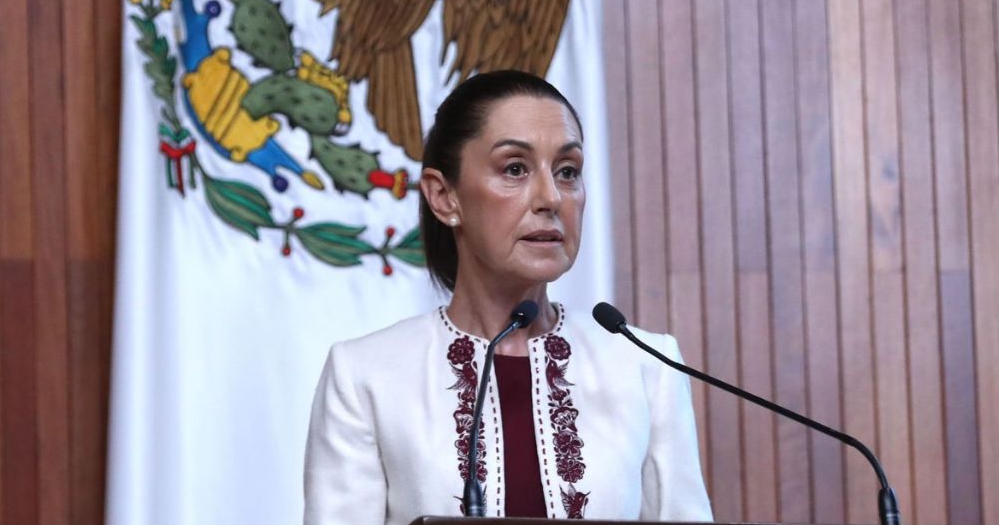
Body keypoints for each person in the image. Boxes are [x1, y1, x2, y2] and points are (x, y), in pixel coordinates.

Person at [303, 70, 713, 523]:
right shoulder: (365, 376)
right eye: (515, 168)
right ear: (444, 197)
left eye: (568, 171)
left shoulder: (646, 366)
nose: (551, 197)